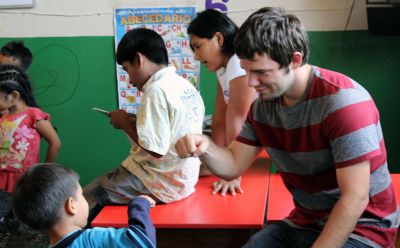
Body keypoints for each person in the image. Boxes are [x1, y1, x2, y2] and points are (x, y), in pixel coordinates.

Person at [175, 7, 400, 248]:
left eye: (261, 72)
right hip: (305, 222)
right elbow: (232, 165)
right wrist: (204, 146)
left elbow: (355, 197)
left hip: (363, 229)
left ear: (294, 60)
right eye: (247, 70)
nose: (251, 82)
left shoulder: (342, 103)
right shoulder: (263, 107)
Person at [83, 28, 205, 223]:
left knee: (89, 195)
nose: (130, 80)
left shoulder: (155, 91)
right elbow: (171, 127)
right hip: (184, 179)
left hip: (159, 182)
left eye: (127, 70)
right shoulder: (183, 85)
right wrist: (133, 119)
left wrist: (123, 123)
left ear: (139, 60)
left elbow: (155, 150)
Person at [188, 9, 257, 196]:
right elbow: (220, 117)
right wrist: (216, 162)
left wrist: (233, 173)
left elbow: (238, 119)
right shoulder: (223, 68)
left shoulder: (238, 63)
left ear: (219, 39)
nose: (196, 55)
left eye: (198, 46)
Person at [12, 163, 156, 247]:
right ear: (72, 206)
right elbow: (143, 240)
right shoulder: (91, 239)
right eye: (81, 194)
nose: (84, 199)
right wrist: (139, 205)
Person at [0, 64, 61, 231]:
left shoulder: (33, 115)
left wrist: (44, 171)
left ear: (13, 95)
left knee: (26, 220)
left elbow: (55, 143)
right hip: (2, 178)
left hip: (26, 178)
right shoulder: (3, 117)